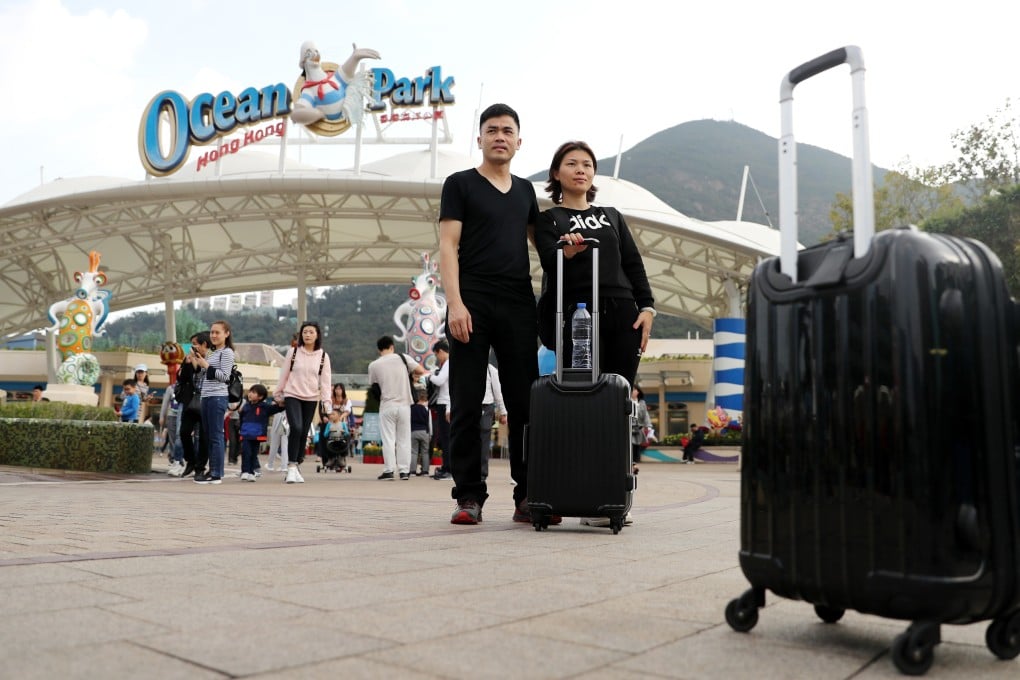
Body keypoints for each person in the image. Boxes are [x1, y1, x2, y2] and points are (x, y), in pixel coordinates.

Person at [439, 103, 544, 525]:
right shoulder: (460, 184)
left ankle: (528, 494)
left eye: (507, 131)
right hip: (473, 299)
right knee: (466, 402)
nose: (500, 136)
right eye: (492, 130)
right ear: (479, 138)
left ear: (519, 141)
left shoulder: (525, 192)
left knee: (524, 405)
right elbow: (448, 245)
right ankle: (468, 496)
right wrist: (456, 303)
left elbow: (543, 245)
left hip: (519, 301)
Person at [535, 140, 655, 389]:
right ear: (556, 173)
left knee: (620, 391)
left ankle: (620, 430)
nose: (581, 170)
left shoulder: (611, 216)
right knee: (581, 391)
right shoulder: (549, 220)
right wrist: (566, 252)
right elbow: (548, 261)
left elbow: (633, 263)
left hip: (623, 313)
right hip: (578, 314)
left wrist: (647, 309)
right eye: (572, 164)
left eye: (587, 165)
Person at [274, 321, 333, 484]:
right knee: (296, 427)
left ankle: (297, 464)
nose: (307, 334)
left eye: (311, 332)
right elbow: (284, 375)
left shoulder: (323, 356)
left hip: (311, 397)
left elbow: (326, 382)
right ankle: (291, 466)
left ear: (317, 335)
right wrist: (278, 394)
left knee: (304, 431)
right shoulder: (293, 352)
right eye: (304, 332)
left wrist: (327, 403)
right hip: (292, 394)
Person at [367, 335, 426, 480]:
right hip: (404, 404)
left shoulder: (374, 365)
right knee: (404, 439)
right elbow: (420, 370)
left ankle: (388, 471)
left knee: (388, 439)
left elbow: (373, 385)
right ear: (392, 346)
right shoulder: (403, 358)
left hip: (387, 405)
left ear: (379, 349)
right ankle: (404, 471)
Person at [193, 320, 236, 485]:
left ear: (227, 334)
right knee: (209, 435)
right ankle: (213, 470)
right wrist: (201, 362)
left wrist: (206, 365)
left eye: (217, 332)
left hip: (218, 397)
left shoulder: (227, 353)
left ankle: (217, 473)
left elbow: (225, 377)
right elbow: (207, 373)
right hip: (206, 396)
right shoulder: (213, 353)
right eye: (212, 332)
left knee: (216, 436)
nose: (214, 335)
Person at [177, 332, 209, 478]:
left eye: (195, 343)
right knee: (184, 432)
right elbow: (182, 379)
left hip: (207, 401)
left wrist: (198, 362)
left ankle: (200, 467)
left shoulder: (212, 358)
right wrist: (188, 363)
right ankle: (190, 461)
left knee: (203, 436)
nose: (193, 347)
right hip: (191, 401)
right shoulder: (189, 359)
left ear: (204, 345)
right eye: (192, 344)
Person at [238, 384, 284, 481]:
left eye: (253, 392)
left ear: (261, 397)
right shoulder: (245, 407)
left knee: (253, 454)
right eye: (250, 391)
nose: (250, 394)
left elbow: (278, 408)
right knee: (246, 452)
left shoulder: (265, 407)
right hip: (246, 434)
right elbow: (241, 419)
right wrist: (240, 430)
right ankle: (245, 471)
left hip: (257, 435)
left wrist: (282, 401)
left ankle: (251, 472)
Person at [425, 339, 451, 479]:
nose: (437, 358)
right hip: (444, 402)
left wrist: (429, 376)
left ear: (440, 351)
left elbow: (440, 380)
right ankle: (446, 467)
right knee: (444, 438)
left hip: (445, 403)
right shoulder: (448, 363)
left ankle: (448, 469)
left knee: (446, 438)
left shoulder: (448, 363)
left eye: (436, 355)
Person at [478, 362, 507, 482]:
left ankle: (482, 474)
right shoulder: (468, 364)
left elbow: (497, 391)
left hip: (486, 406)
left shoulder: (491, 370)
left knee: (484, 440)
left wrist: (503, 412)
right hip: (469, 405)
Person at [410, 388, 432, 476]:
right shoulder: (427, 409)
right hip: (424, 431)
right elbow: (429, 422)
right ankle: (425, 471)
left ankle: (412, 471)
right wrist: (430, 434)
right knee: (425, 452)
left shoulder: (412, 408)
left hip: (414, 431)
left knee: (414, 452)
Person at [631, 386, 652, 464]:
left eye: (634, 390)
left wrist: (648, 426)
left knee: (637, 444)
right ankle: (631, 461)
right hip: (629, 427)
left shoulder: (642, 402)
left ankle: (636, 460)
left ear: (638, 392)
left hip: (638, 427)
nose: (632, 391)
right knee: (631, 444)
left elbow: (645, 415)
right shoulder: (627, 401)